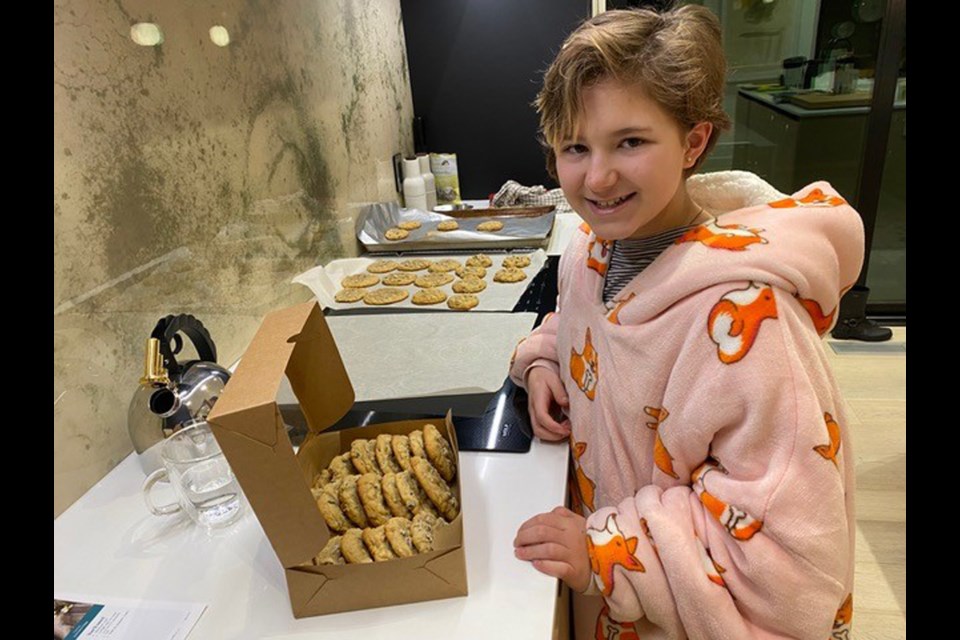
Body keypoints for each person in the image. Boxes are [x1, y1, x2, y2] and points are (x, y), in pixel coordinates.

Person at [509, 6, 861, 639]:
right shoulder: (591, 252)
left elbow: (785, 550)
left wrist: (605, 553)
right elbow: (588, 325)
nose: (598, 176)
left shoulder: (753, 322)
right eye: (575, 148)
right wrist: (543, 361)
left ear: (693, 143)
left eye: (631, 142)